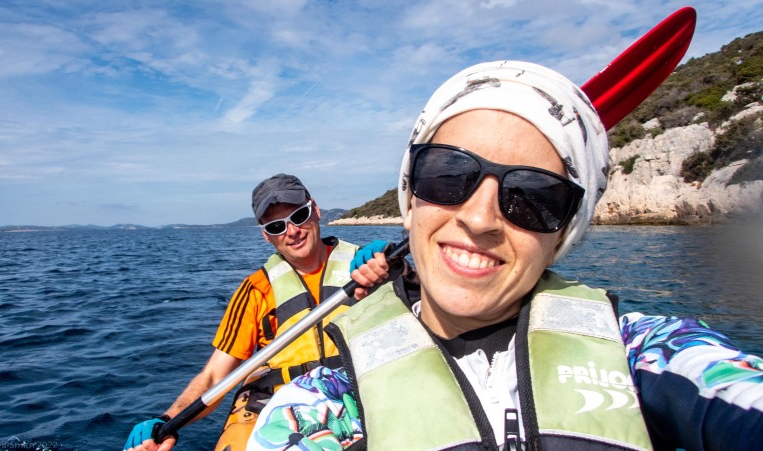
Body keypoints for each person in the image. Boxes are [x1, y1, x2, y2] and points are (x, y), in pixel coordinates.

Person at [246, 61, 763, 450]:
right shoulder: (323, 402)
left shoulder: (645, 353)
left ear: (564, 232)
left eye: (534, 196)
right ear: (411, 195)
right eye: (448, 175)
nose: (480, 218)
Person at [124, 173, 389, 451]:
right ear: (265, 235)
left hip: (363, 386)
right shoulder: (255, 290)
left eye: (299, 216)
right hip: (289, 406)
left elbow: (428, 313)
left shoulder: (370, 265)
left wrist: (400, 273)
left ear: (316, 210)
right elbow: (215, 375)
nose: (292, 231)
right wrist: (167, 420)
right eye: (276, 226)